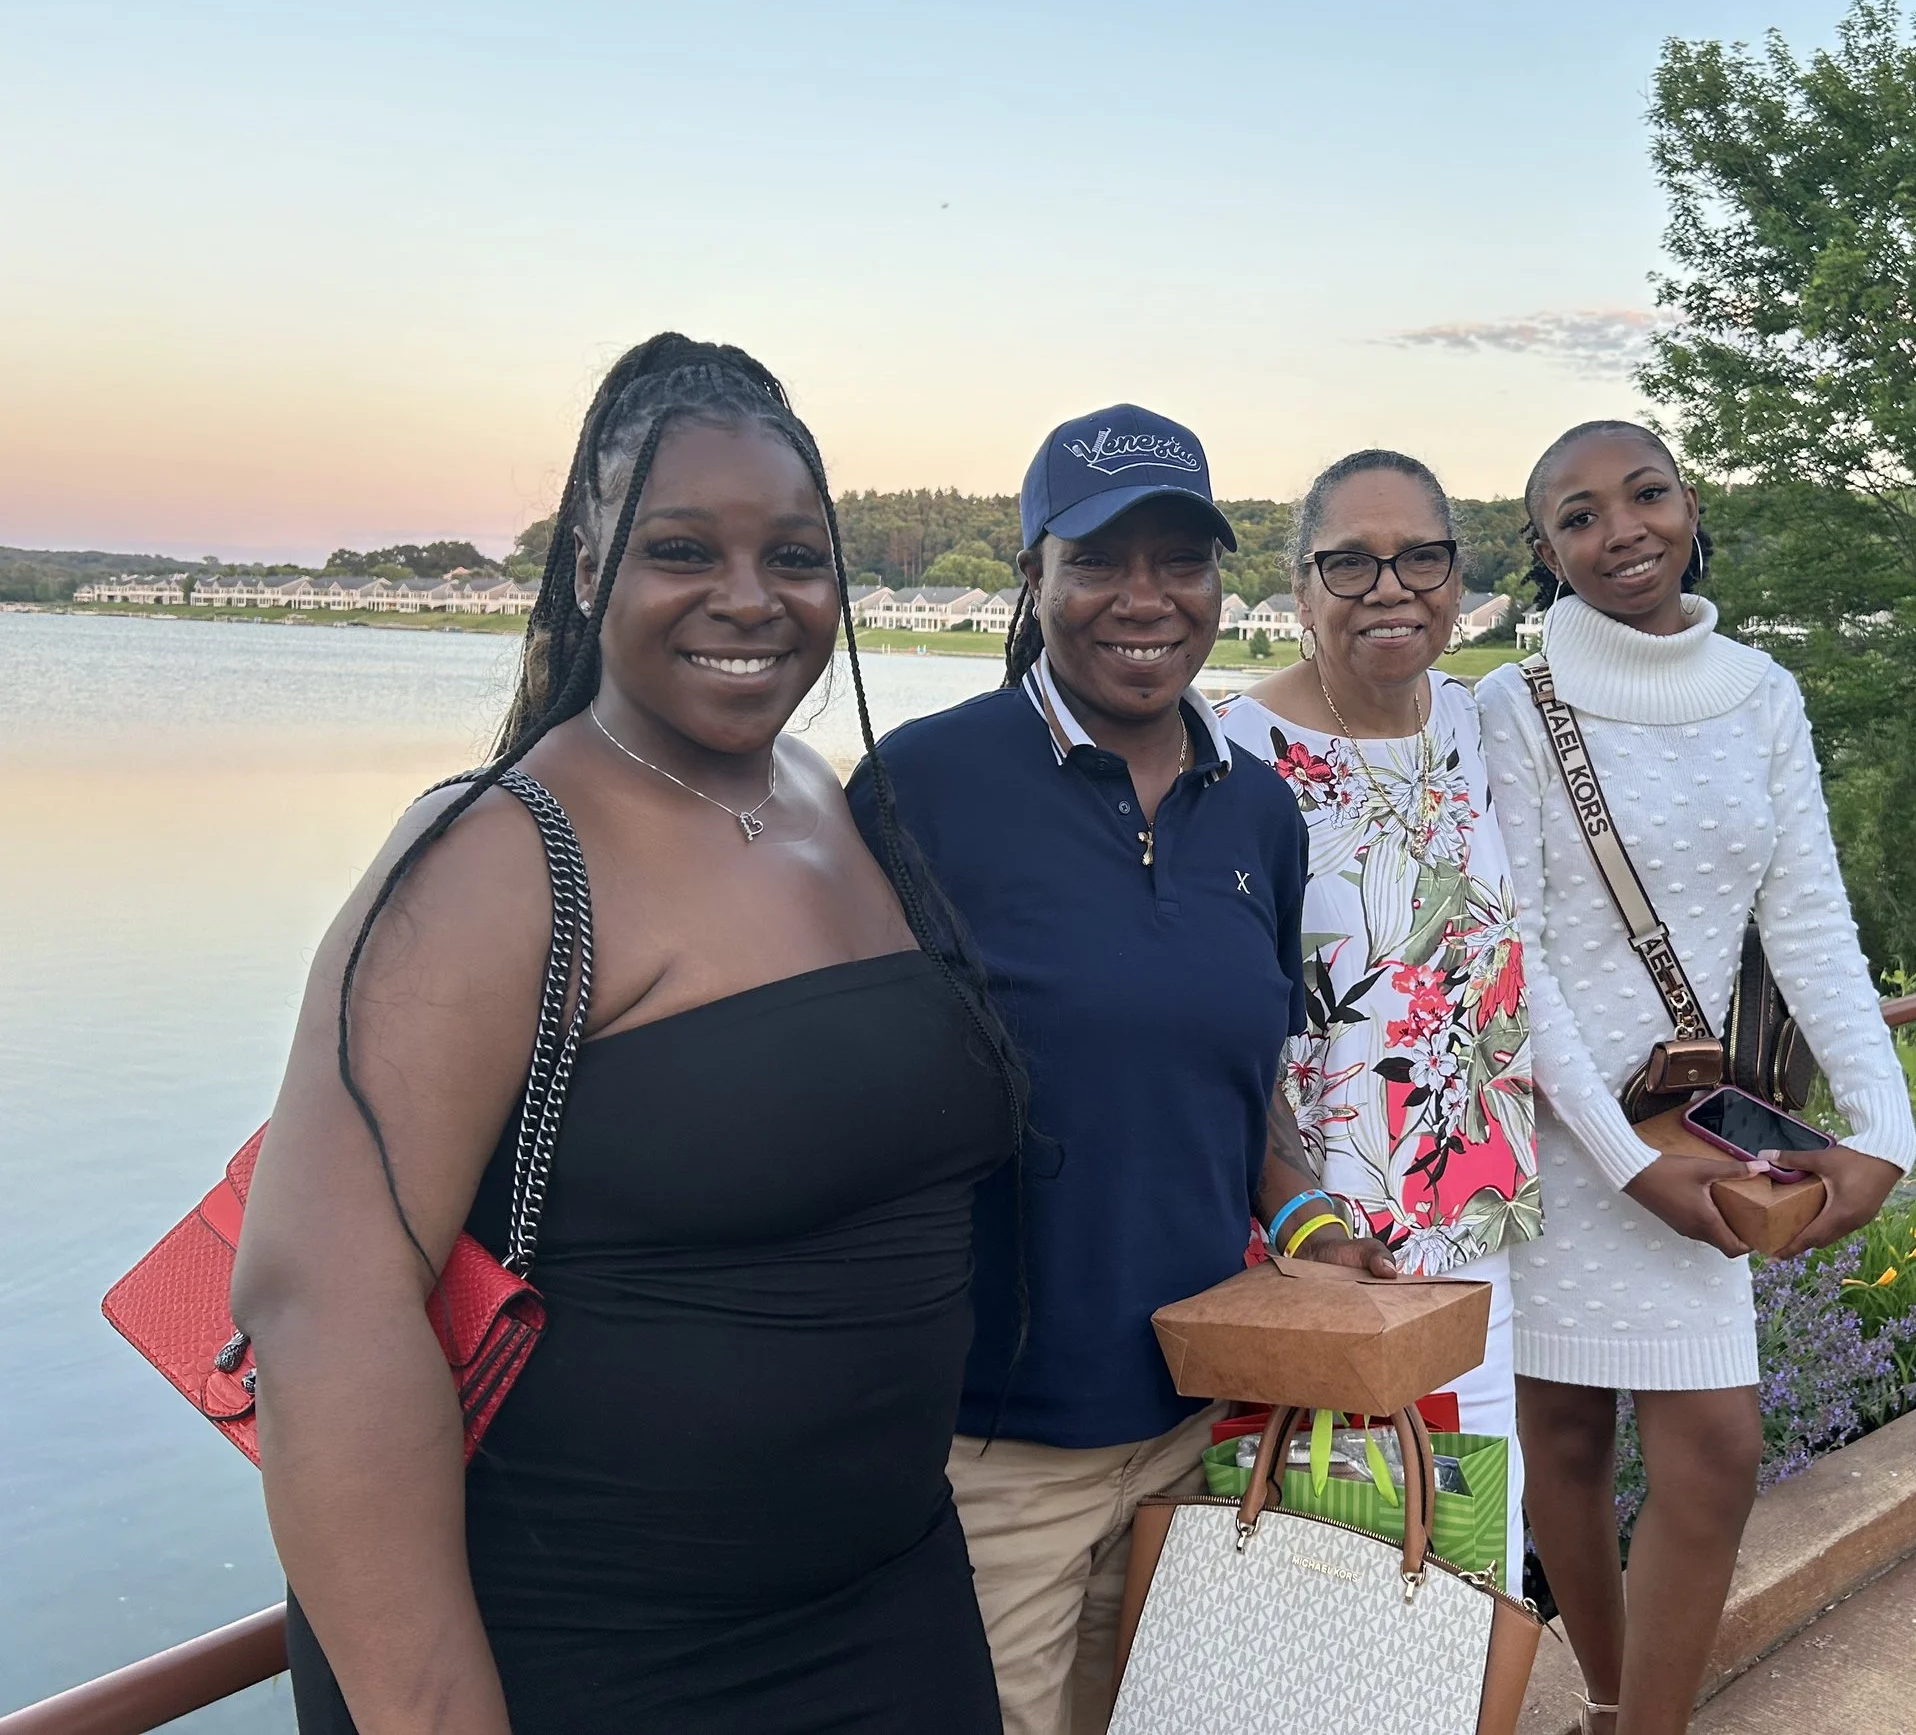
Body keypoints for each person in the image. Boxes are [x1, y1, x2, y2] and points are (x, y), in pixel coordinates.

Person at [231, 336, 1018, 1734]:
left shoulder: (826, 800)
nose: (748, 597)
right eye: (681, 549)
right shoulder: (496, 856)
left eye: (794, 555)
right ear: (590, 569)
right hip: (596, 1653)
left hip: (889, 1612)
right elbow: (319, 1313)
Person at [851, 404, 1394, 1735]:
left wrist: (1310, 1221)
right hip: (987, 1450)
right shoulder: (921, 784)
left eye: (1181, 560)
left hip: (1195, 1424)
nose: (1144, 598)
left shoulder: (1258, 808)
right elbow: (838, 1100)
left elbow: (1244, 1074)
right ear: (1033, 576)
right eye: (1097, 559)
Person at [1476, 421, 1916, 1735]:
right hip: (1559, 1138)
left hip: (1691, 1135)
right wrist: (1623, 1164)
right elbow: (1516, 957)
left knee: (1716, 1450)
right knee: (1560, 1436)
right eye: (1578, 515)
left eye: (1646, 494)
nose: (1622, 529)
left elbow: (1811, 923)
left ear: (1690, 502)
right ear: (1545, 548)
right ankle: (1611, 1701)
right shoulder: (1512, 704)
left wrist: (1886, 1129)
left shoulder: (1761, 694)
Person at [1214, 447, 1538, 1589]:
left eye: (1420, 559)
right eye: (1350, 563)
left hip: (1476, 1236)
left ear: (1458, 576)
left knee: (1470, 1574)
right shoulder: (1226, 755)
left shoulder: (1482, 727)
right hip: (1318, 1249)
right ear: (1299, 588)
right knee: (1315, 1577)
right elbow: (1209, 1008)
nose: (1389, 588)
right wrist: (1298, 1223)